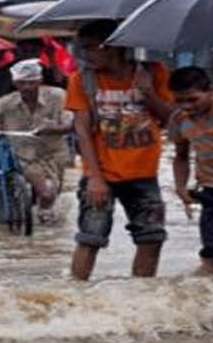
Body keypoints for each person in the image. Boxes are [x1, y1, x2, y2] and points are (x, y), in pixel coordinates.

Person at [65, 19, 175, 281]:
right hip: (102, 173)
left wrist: (148, 93)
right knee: (91, 237)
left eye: (90, 48)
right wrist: (94, 177)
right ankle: (75, 294)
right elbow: (82, 131)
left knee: (152, 237)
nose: (85, 55)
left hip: (144, 174)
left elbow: (172, 120)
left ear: (112, 47)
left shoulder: (154, 72)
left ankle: (140, 295)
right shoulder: (82, 80)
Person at [0, 60, 74, 222]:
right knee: (46, 192)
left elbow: (71, 124)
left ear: (40, 81)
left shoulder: (58, 96)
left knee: (51, 197)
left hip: (54, 153)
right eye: (22, 83)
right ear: (15, 82)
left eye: (31, 82)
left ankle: (45, 217)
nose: (26, 87)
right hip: (24, 156)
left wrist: (53, 128)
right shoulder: (7, 101)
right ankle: (41, 214)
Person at [167, 66, 213, 278]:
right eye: (179, 101)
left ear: (211, 91)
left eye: (192, 99)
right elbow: (181, 155)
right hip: (212, 191)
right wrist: (180, 186)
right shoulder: (179, 119)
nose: (186, 106)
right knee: (212, 251)